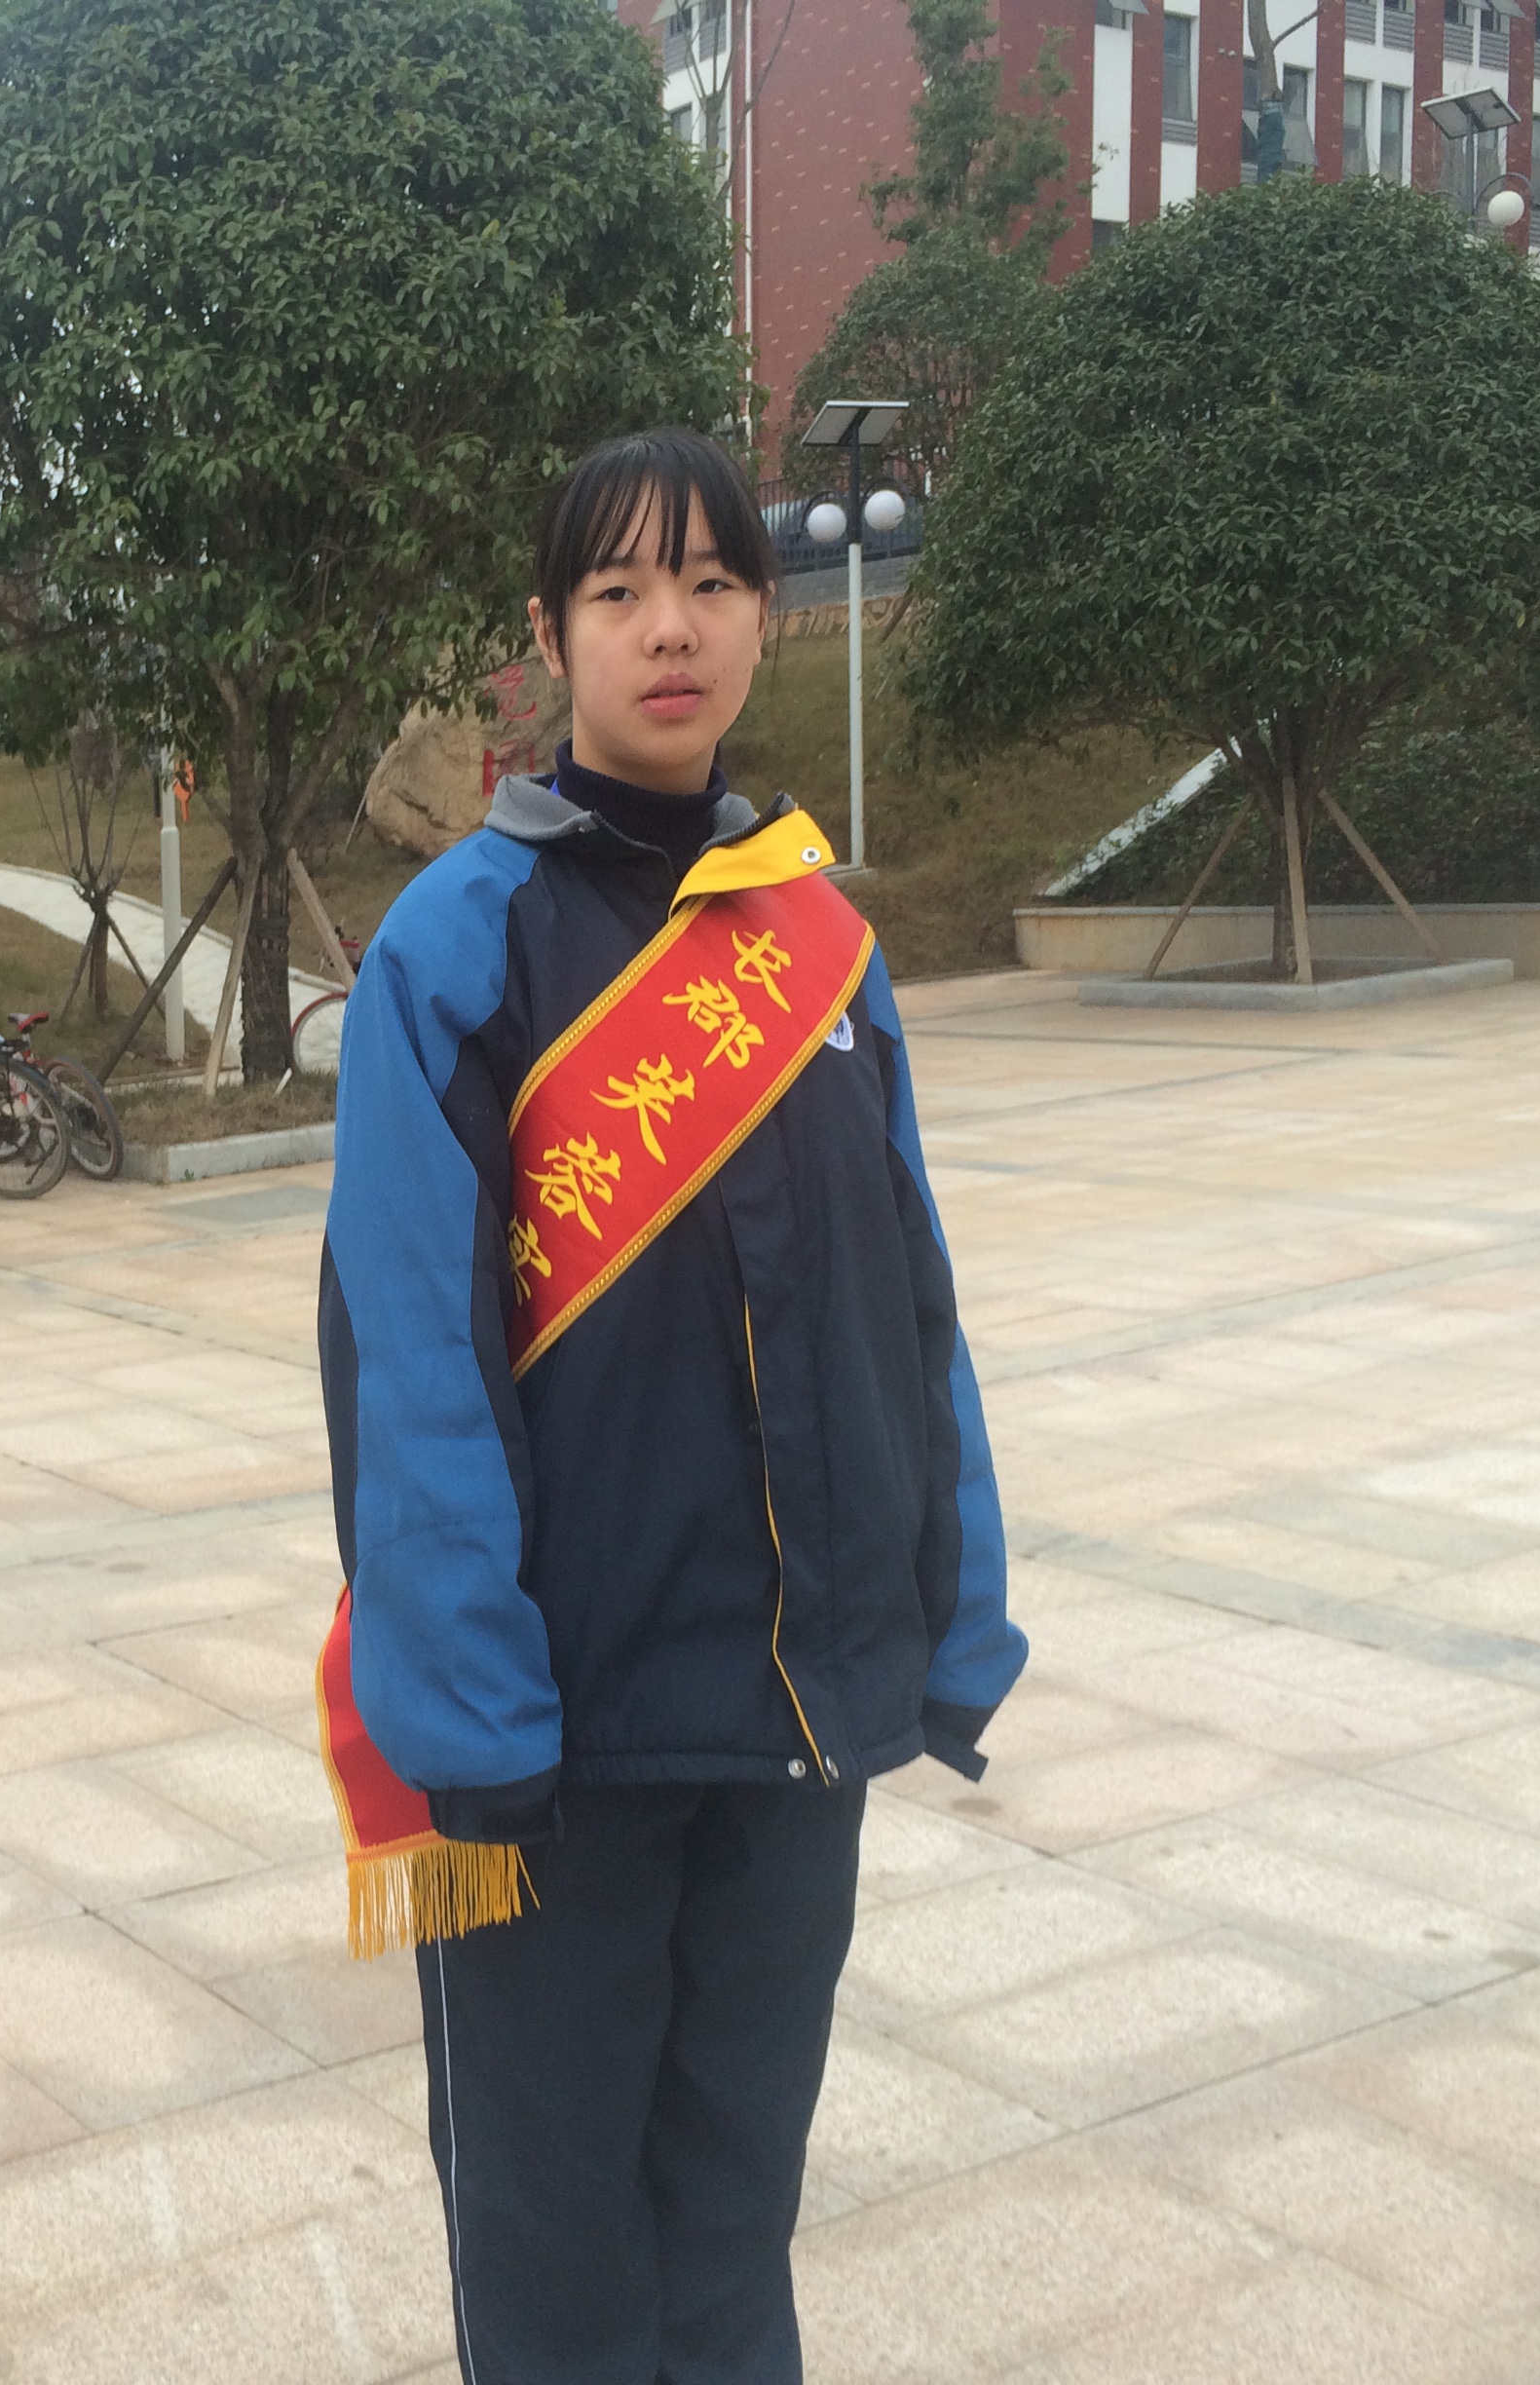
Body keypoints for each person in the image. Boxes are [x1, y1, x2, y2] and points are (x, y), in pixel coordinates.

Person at [315, 427, 1021, 2383]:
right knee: (555, 2248)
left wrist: (945, 1619)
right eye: (619, 590)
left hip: (791, 1723)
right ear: (552, 640)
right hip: (565, 1736)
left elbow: (910, 1308)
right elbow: (408, 1364)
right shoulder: (456, 950)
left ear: (764, 617)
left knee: (732, 2217)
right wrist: (474, 1725)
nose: (670, 627)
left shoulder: (826, 949)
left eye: (710, 582)